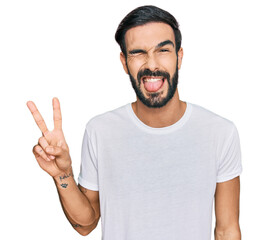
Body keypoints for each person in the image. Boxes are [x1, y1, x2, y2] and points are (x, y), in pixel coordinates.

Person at [27, 5, 243, 240]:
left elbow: (227, 230)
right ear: (124, 62)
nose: (152, 65)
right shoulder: (101, 131)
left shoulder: (220, 133)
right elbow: (86, 224)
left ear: (179, 57)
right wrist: (63, 174)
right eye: (138, 52)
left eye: (163, 50)